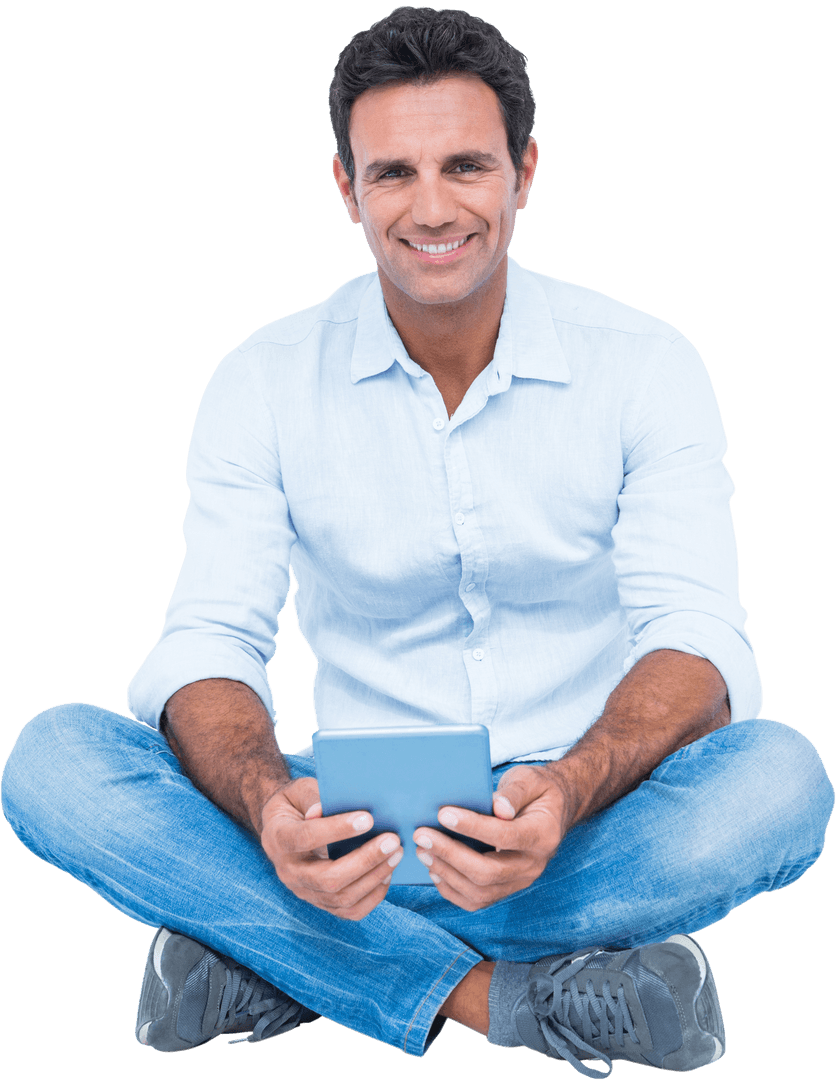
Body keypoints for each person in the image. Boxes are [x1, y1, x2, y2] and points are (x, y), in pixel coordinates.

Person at [2, 7, 832, 1076]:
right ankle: (502, 998)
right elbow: (208, 637)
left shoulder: (644, 362)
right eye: (392, 172)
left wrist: (571, 789)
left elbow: (697, 637)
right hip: (345, 813)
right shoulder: (263, 377)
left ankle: (270, 951)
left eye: (466, 166)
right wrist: (267, 811)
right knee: (51, 762)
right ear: (346, 188)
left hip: (580, 813)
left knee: (781, 784)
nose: (431, 207)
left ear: (523, 173)